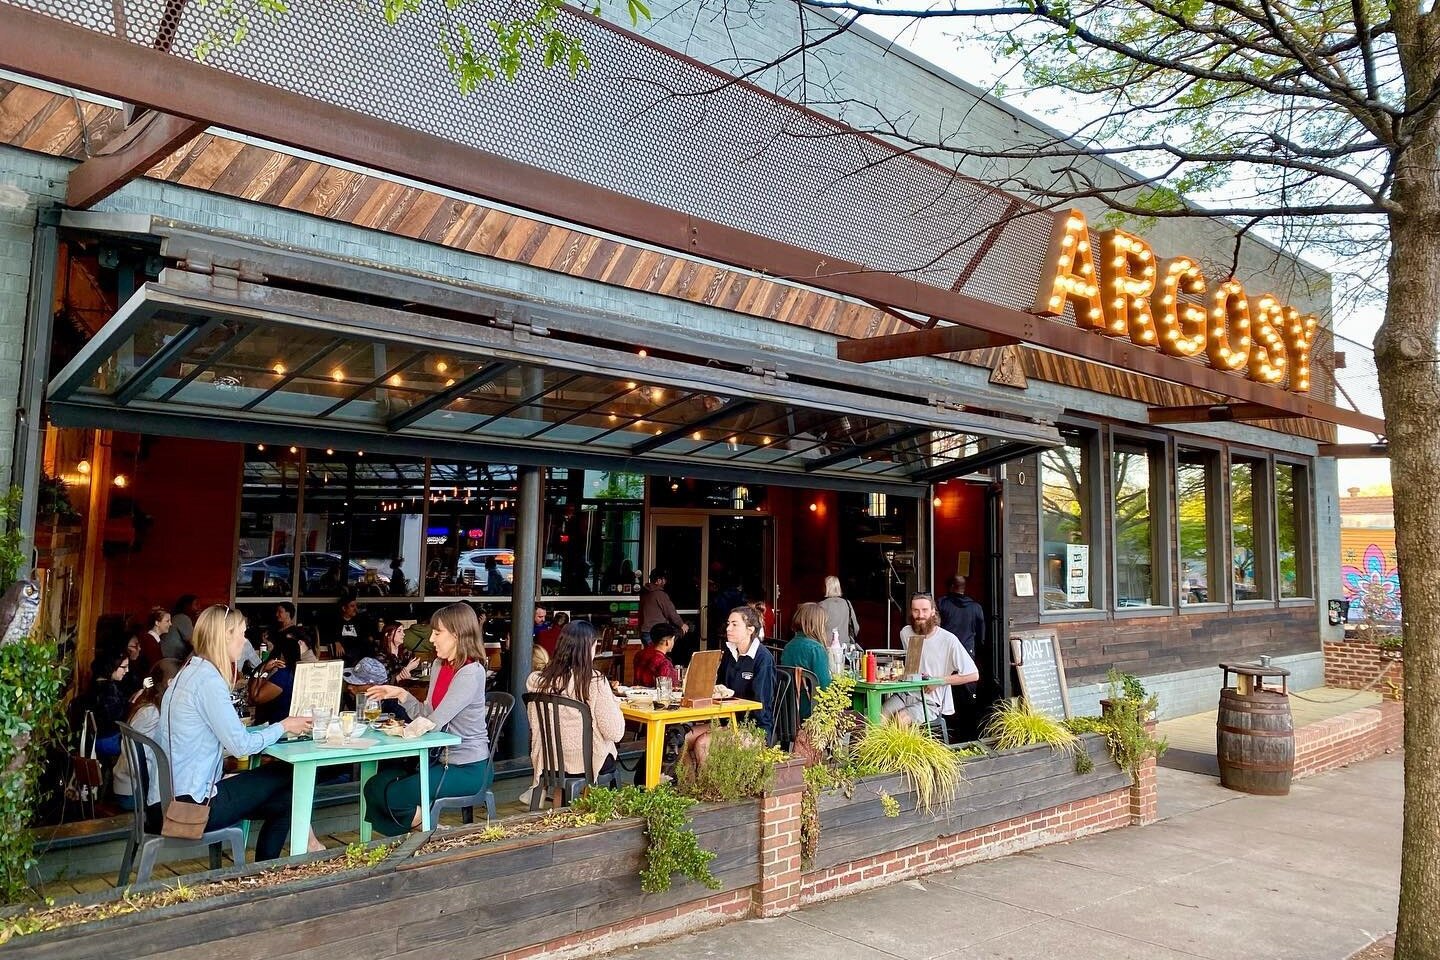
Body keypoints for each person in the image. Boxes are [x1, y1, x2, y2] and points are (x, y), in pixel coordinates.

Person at [154, 605, 314, 859]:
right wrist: (284, 725)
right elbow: (241, 746)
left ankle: (265, 870)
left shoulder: (190, 671)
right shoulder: (208, 681)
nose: (244, 640)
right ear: (226, 635)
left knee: (287, 799)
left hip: (168, 798)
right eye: (241, 633)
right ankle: (267, 868)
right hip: (190, 807)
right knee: (288, 773)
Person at [364, 602, 492, 835]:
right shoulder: (439, 665)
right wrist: (401, 694)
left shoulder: (471, 672)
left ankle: (429, 830)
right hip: (437, 761)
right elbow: (427, 714)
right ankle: (424, 828)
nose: (431, 639)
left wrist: (402, 730)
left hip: (467, 767)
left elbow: (432, 725)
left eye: (437, 633)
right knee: (374, 786)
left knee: (393, 796)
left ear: (456, 634)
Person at [525, 621, 626, 796]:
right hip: (587, 762)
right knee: (607, 750)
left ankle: (560, 809)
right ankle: (588, 808)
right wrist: (615, 704)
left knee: (563, 776)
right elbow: (615, 732)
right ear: (588, 649)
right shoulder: (594, 682)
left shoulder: (539, 681)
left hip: (549, 760)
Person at [881, 593, 979, 728]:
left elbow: (973, 674)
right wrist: (898, 675)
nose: (920, 615)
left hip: (931, 701)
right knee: (878, 717)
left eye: (925, 610)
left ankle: (907, 743)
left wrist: (939, 681)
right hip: (905, 694)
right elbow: (914, 666)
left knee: (901, 719)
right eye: (916, 610)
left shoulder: (948, 640)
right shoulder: (906, 633)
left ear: (933, 611)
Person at [112, 658, 180, 812]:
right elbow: (135, 761)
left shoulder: (150, 705)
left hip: (131, 787)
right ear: (170, 683)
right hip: (134, 792)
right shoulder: (151, 713)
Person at [719, 605, 777, 737]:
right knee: (687, 738)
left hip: (754, 727)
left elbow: (760, 704)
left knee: (702, 743)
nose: (728, 628)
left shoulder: (763, 658)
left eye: (734, 624)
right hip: (727, 719)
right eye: (728, 624)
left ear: (750, 629)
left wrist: (732, 695)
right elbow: (720, 684)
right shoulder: (729, 653)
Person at [779, 602, 834, 707]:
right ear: (819, 625)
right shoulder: (816, 649)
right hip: (811, 708)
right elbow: (825, 687)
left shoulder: (789, 646)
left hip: (789, 707)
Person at [248, 627, 303, 725]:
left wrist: (262, 670)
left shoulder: (283, 675)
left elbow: (256, 698)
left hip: (275, 724)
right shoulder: (292, 671)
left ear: (281, 654)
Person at [88, 647, 131, 760]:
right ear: (112, 666)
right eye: (124, 667)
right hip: (107, 740)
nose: (127, 670)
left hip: (99, 738)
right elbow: (119, 717)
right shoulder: (108, 689)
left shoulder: (95, 683)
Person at [938, 575, 985, 658]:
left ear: (952, 586)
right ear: (964, 587)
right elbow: (981, 633)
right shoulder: (976, 607)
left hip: (947, 649)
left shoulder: (942, 604)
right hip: (967, 649)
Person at [639, 568, 687, 644]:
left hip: (645, 632)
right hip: (656, 633)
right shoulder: (660, 594)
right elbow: (670, 612)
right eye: (664, 579)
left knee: (650, 651)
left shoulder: (645, 593)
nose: (665, 582)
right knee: (659, 651)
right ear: (658, 580)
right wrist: (682, 624)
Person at [333, 594, 377, 665]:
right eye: (352, 606)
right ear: (344, 608)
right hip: (344, 655)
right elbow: (328, 634)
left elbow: (367, 636)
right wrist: (336, 641)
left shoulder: (360, 621)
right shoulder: (336, 621)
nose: (356, 609)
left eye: (356, 606)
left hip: (359, 655)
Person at [633, 622, 679, 687]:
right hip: (657, 693)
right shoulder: (664, 662)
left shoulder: (639, 655)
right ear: (667, 642)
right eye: (673, 640)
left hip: (637, 692)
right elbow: (668, 688)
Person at [818, 576, 860, 647]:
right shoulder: (847, 603)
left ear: (826, 588)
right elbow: (856, 628)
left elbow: (816, 629)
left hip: (827, 646)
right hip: (845, 646)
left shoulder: (821, 605)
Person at [162, 594, 199, 660]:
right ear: (187, 606)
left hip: (167, 657)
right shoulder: (182, 618)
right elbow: (194, 642)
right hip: (171, 659)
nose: (198, 607)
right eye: (196, 604)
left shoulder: (177, 617)